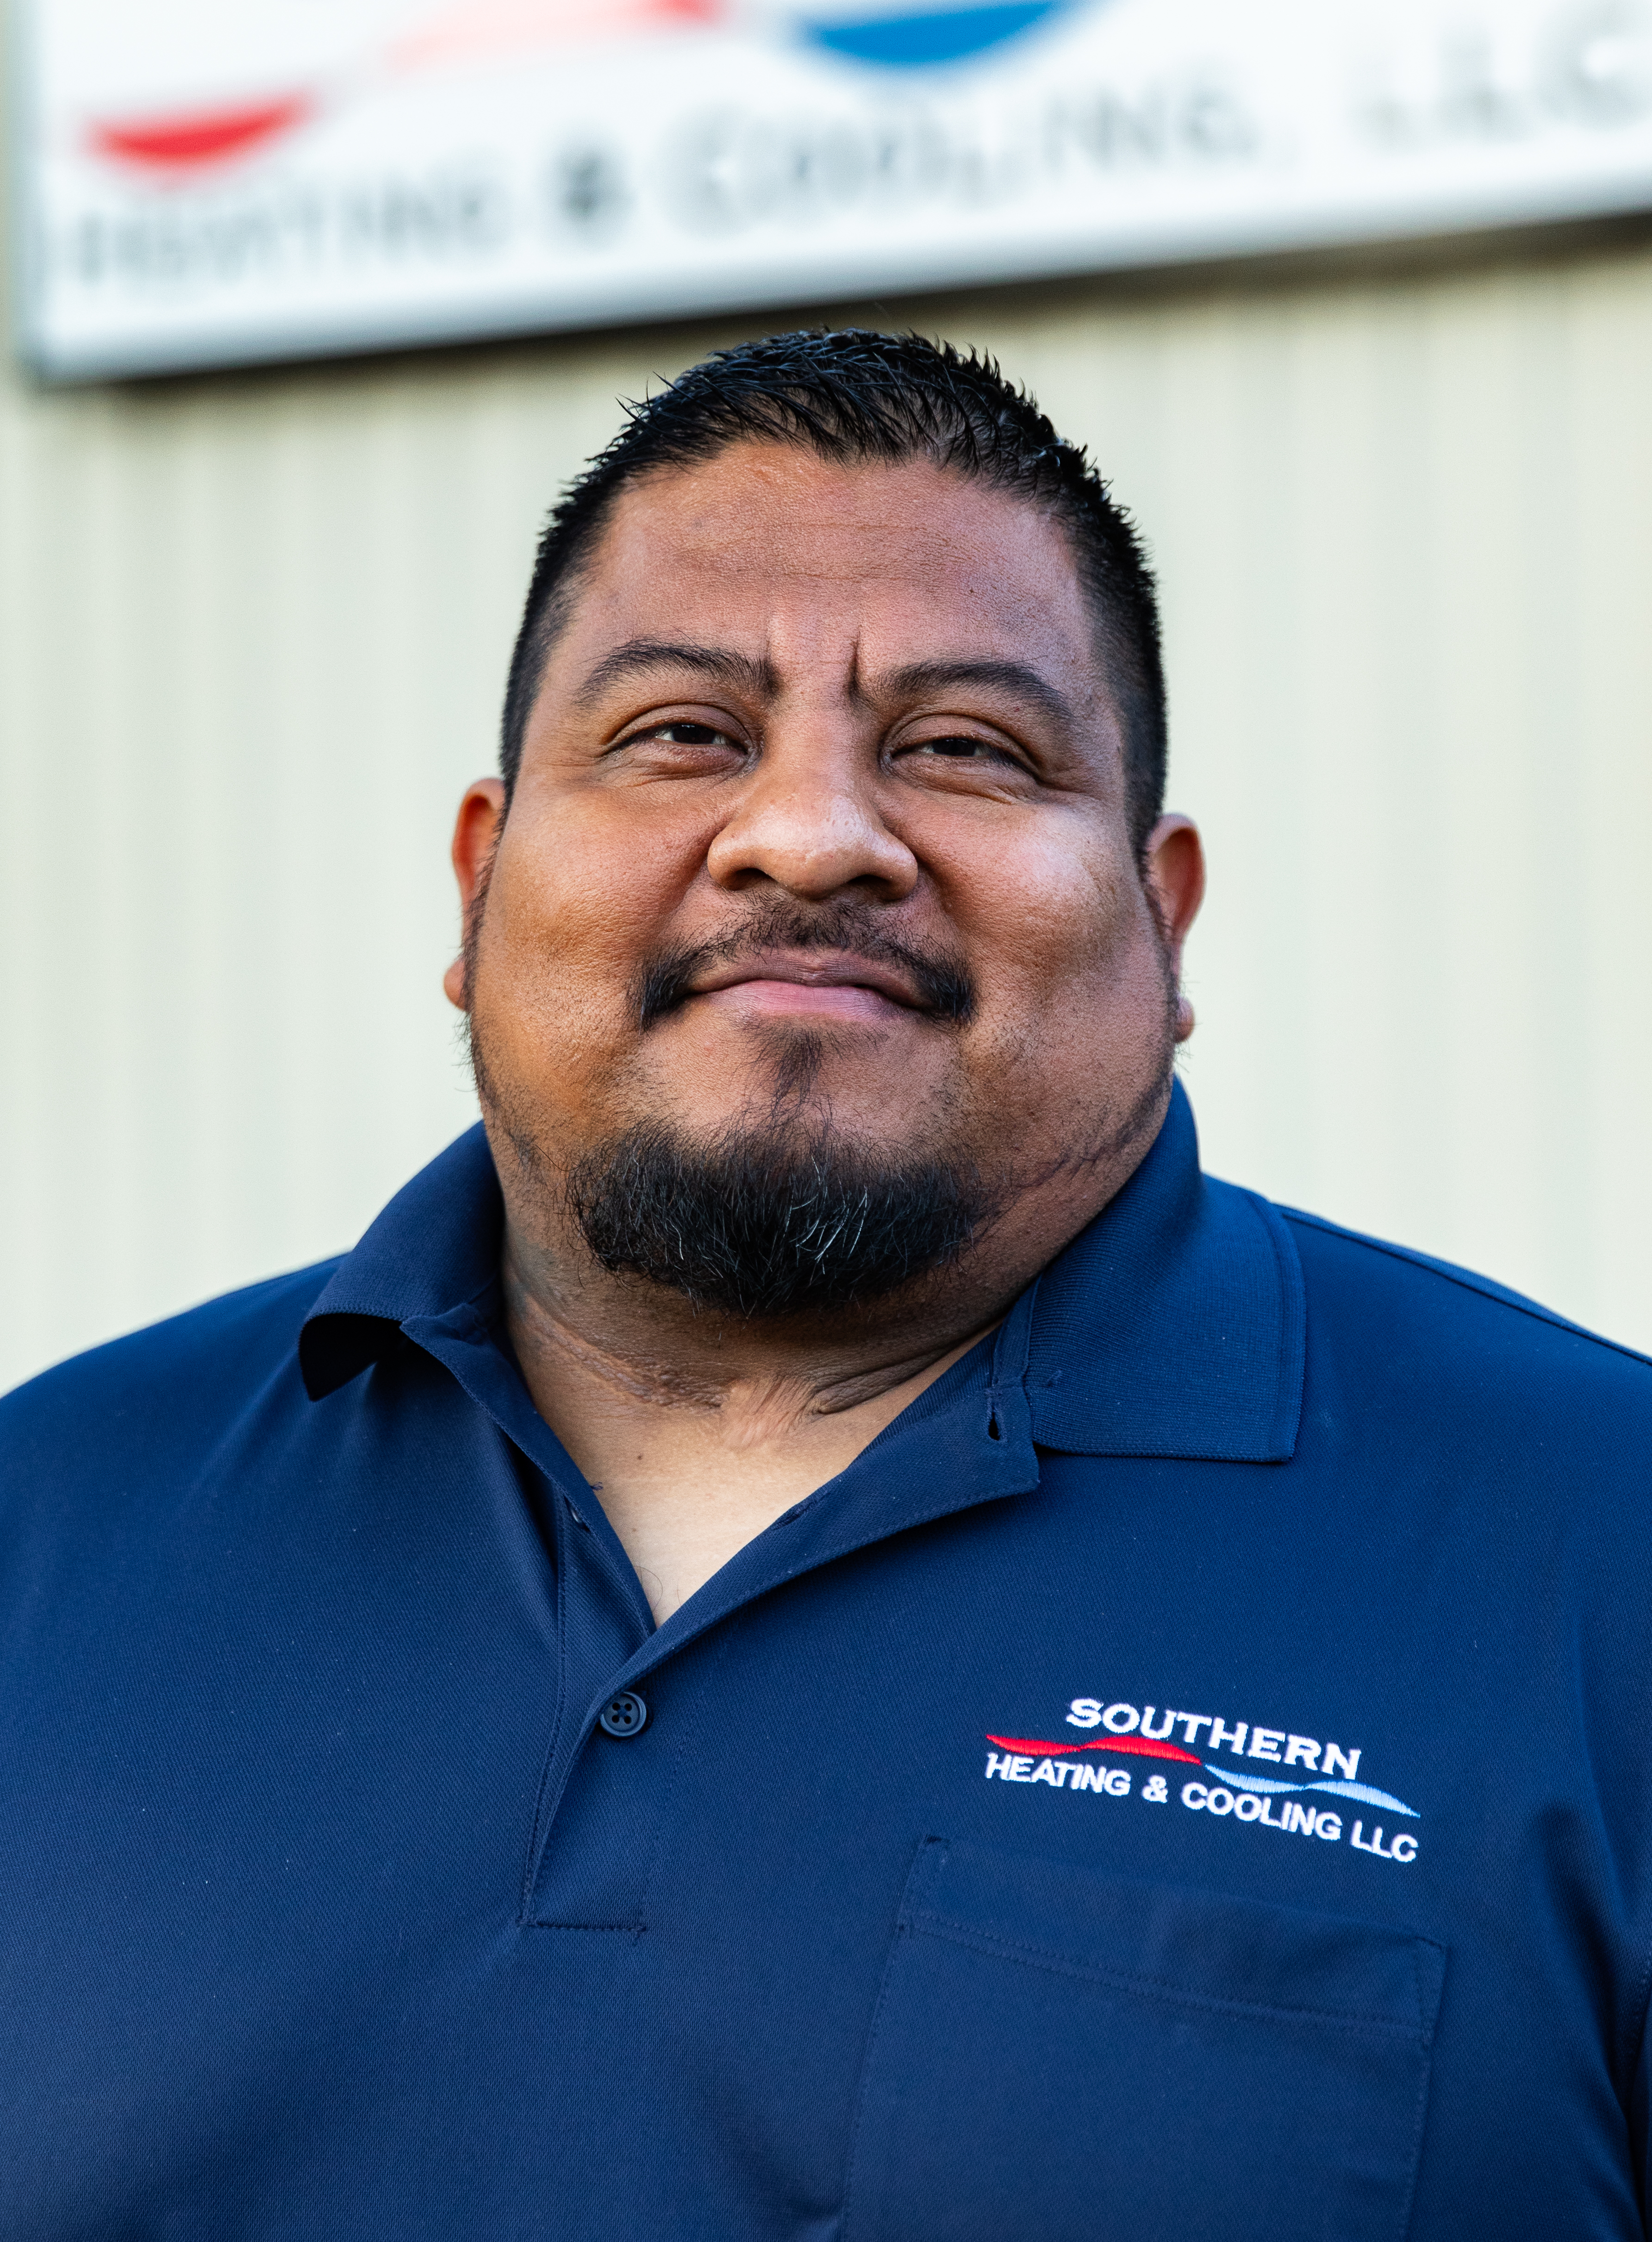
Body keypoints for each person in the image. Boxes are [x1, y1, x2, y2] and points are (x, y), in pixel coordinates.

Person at [1, 330, 1648, 2241]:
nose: (808, 836)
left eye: (962, 747)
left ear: (1162, 913)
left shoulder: (1596, 1557)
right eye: (682, 732)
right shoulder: (42, 1528)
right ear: (477, 881)